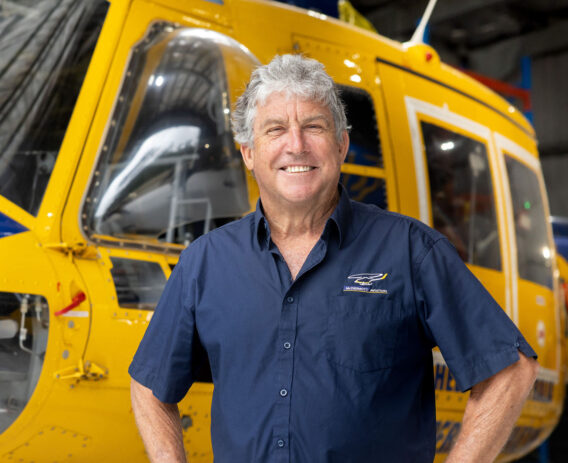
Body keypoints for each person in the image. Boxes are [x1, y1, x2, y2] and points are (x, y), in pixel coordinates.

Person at [129, 54, 538, 463]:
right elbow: (149, 385)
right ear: (248, 153)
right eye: (276, 129)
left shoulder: (411, 250)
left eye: (314, 126)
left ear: (341, 145)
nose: (296, 145)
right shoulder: (204, 263)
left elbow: (509, 368)